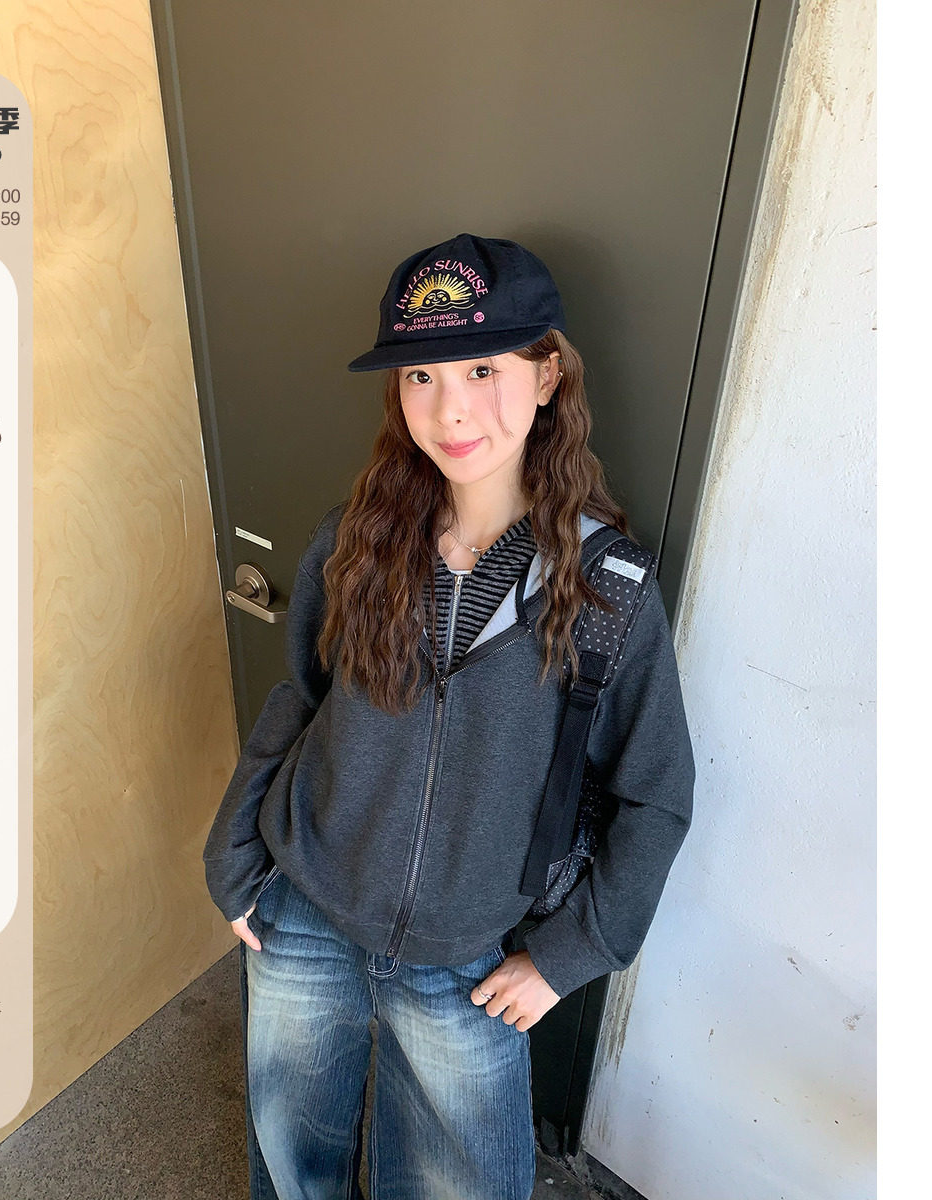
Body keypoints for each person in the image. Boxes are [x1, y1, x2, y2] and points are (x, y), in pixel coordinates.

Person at [204, 232, 696, 1200]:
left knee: (459, 1186)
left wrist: (569, 955)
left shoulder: (608, 591)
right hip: (304, 912)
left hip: (470, 959)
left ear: (547, 374)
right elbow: (298, 699)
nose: (450, 407)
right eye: (419, 376)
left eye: (481, 368)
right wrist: (234, 855)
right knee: (291, 1161)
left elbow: (656, 796)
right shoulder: (353, 544)